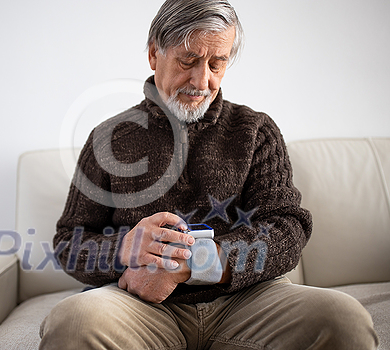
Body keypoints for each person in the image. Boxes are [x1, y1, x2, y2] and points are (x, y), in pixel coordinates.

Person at [39, 0, 379, 349]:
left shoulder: (256, 131)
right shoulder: (107, 139)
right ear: (155, 54)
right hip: (139, 307)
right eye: (188, 61)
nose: (202, 81)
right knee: (74, 321)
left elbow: (287, 230)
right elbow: (69, 242)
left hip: (246, 301)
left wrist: (191, 264)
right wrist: (127, 248)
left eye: (217, 63)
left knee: (344, 318)